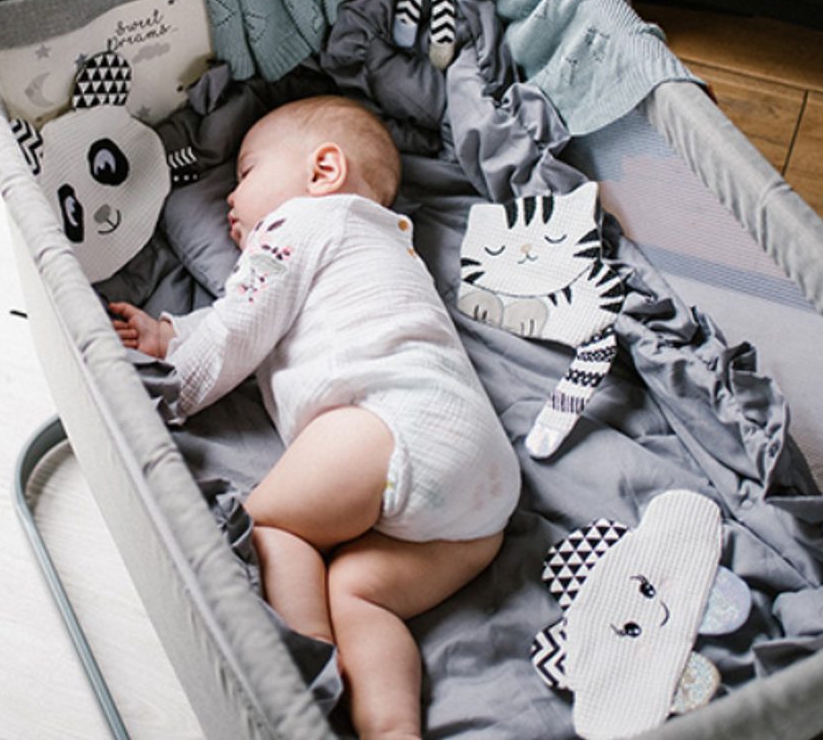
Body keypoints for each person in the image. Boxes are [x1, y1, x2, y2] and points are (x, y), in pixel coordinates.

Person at [110, 95, 521, 740]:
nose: (229, 198)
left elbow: (240, 329)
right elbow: (257, 318)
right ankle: (393, 728)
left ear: (323, 171)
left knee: (275, 525)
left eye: (246, 173)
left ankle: (300, 699)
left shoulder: (300, 220)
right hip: (482, 497)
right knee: (358, 590)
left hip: (387, 424)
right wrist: (171, 335)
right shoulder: (383, 241)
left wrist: (169, 391)